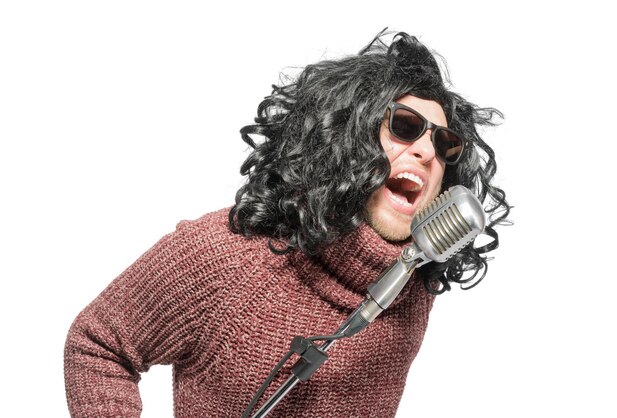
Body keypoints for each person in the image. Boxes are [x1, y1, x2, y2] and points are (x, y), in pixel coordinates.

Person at [64, 29, 510, 417]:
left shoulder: (412, 290)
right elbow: (98, 345)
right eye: (406, 126)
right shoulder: (223, 255)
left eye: (445, 143)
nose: (427, 152)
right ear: (347, 136)